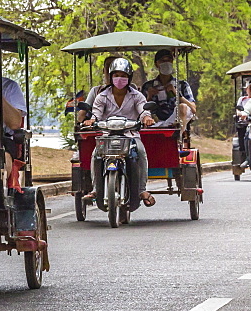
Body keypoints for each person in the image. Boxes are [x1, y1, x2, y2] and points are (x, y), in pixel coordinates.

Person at [82, 57, 156, 207]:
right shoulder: (101, 96)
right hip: (107, 135)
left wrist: (147, 117)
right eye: (116, 75)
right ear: (111, 76)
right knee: (95, 155)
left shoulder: (137, 96)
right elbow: (96, 114)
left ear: (129, 77)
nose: (119, 79)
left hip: (131, 135)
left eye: (123, 76)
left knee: (141, 152)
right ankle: (96, 189)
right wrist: (91, 120)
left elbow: (142, 111)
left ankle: (142, 190)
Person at [141, 49, 196, 129]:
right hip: (154, 121)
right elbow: (140, 108)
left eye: (169, 60)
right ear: (157, 64)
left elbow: (193, 108)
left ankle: (179, 135)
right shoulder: (148, 86)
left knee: (183, 106)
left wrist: (177, 94)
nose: (166, 63)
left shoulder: (182, 85)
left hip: (175, 121)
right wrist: (149, 97)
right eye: (162, 61)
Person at [235, 80, 251, 168]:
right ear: (246, 89)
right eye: (250, 88)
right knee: (245, 136)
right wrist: (242, 114)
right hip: (246, 122)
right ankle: (246, 156)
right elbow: (238, 111)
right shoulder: (242, 99)